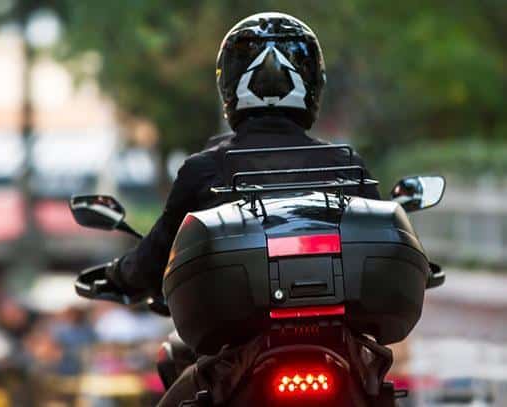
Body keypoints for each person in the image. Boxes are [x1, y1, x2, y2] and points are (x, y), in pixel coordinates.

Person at [104, 12, 382, 405]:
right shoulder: (346, 164)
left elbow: (156, 255)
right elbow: (382, 237)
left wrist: (119, 275)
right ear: (313, 82)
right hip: (339, 351)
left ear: (229, 84)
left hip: (237, 354)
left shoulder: (204, 169)